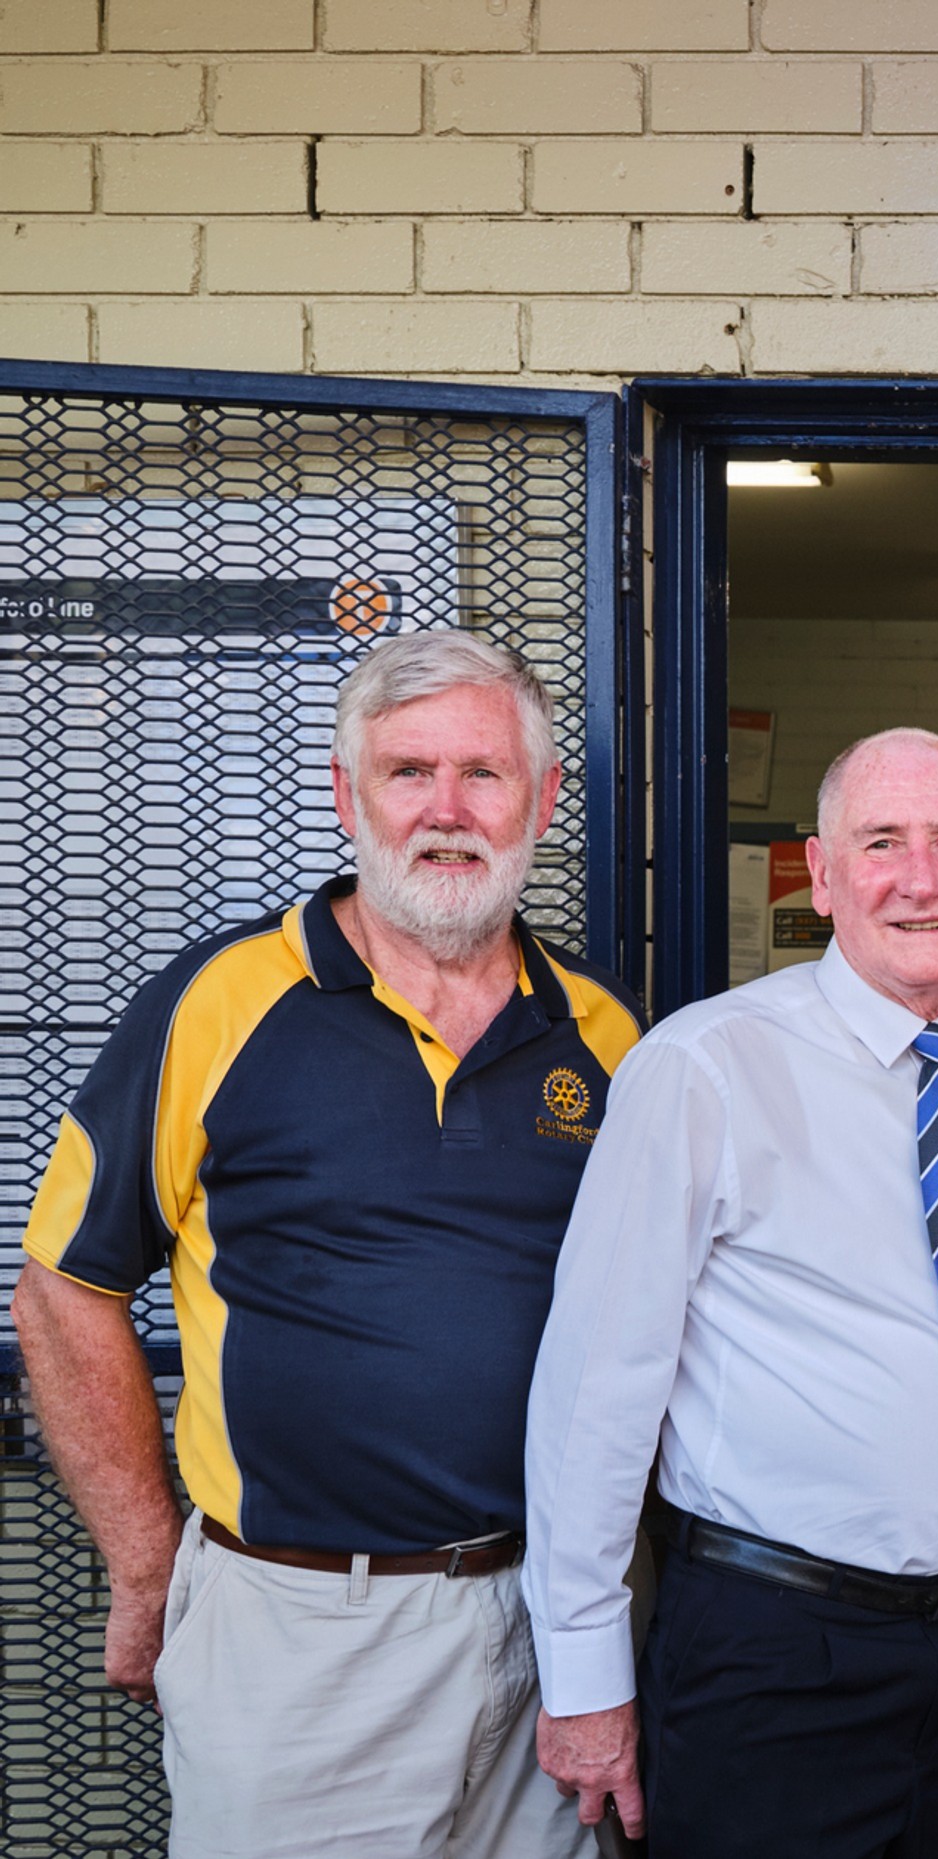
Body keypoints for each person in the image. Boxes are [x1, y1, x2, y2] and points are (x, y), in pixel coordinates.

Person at [10, 632, 640, 1859]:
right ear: (349, 795)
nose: (445, 810)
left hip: (553, 1628)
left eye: (484, 774)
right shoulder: (222, 1001)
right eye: (407, 772)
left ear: (544, 798)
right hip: (301, 1627)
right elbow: (63, 1289)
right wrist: (148, 1564)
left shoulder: (609, 1033)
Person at [524, 728, 938, 1854]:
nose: (921, 877)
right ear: (820, 874)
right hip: (774, 1656)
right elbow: (594, 1389)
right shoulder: (703, 1065)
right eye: (881, 842)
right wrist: (583, 1672)